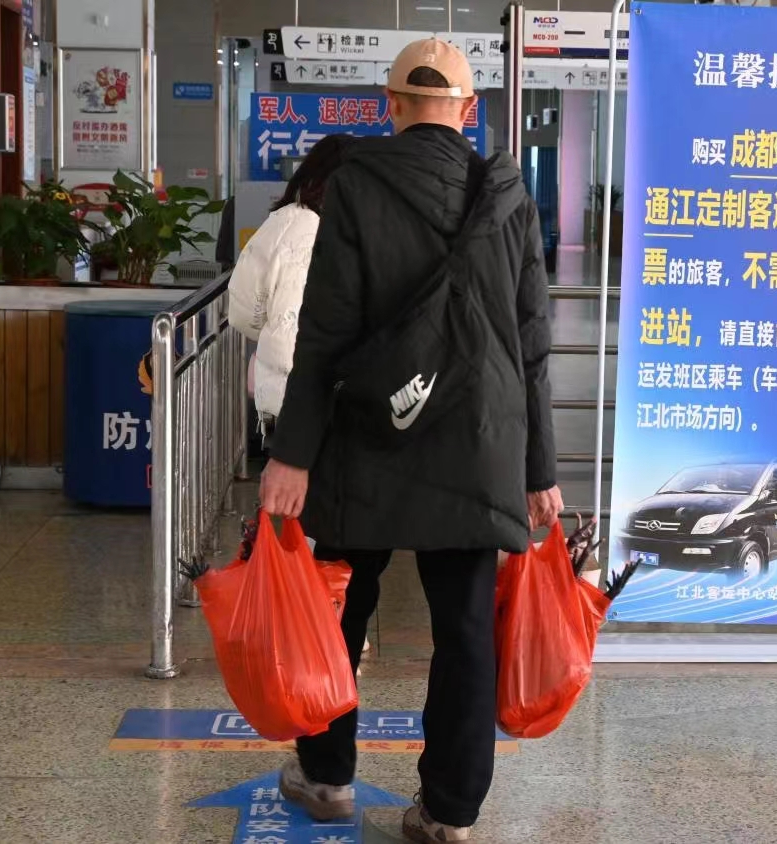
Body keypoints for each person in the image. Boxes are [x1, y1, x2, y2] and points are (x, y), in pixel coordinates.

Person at [258, 38, 562, 843]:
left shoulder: (356, 185)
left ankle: (327, 776)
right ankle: (449, 813)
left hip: (370, 432)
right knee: (465, 628)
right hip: (479, 441)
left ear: (390, 105)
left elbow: (323, 332)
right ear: (468, 110)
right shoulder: (508, 193)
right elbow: (533, 342)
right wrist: (539, 470)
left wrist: (291, 455)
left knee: (342, 606)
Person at [228, 133, 358, 446]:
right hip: (303, 406)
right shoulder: (309, 235)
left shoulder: (287, 219)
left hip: (284, 399)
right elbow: (292, 331)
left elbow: (245, 313)